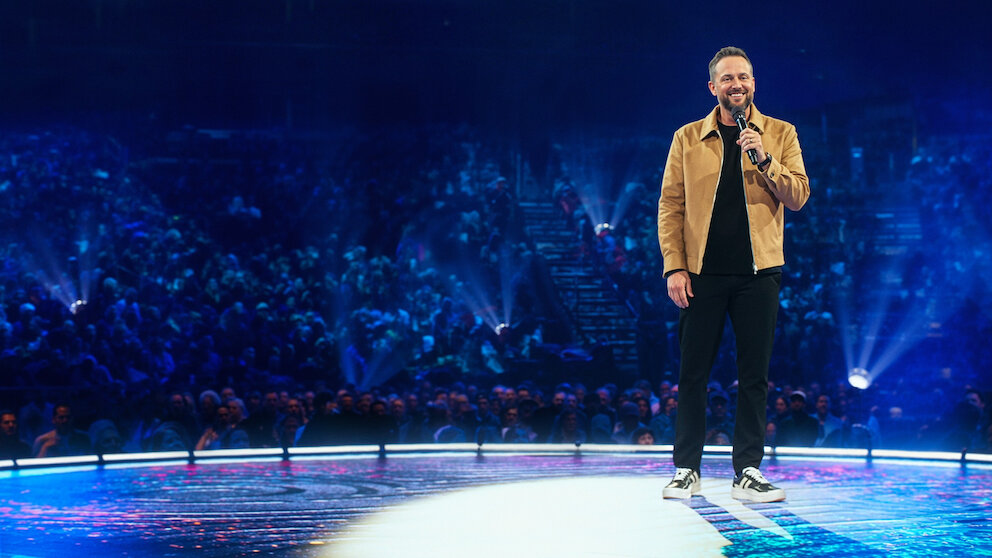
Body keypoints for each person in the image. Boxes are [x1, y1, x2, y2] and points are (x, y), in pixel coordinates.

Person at [658, 46, 810, 502]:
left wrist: (764, 159)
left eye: (743, 77)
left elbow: (799, 195)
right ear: (713, 87)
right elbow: (670, 205)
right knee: (693, 374)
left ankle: (747, 470)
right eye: (727, 78)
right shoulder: (687, 137)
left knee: (754, 376)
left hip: (758, 274)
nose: (736, 84)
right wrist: (674, 266)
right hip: (701, 274)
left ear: (753, 83)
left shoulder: (780, 133)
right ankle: (687, 468)